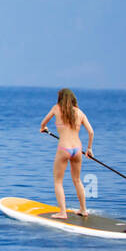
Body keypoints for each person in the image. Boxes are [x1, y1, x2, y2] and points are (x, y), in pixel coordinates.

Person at [38, 88, 94, 219]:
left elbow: (43, 123)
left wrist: (43, 129)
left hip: (64, 149)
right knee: (77, 180)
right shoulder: (80, 113)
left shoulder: (56, 108)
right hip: (78, 150)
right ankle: (83, 210)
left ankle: (62, 212)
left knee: (58, 181)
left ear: (60, 99)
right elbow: (91, 132)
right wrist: (89, 149)